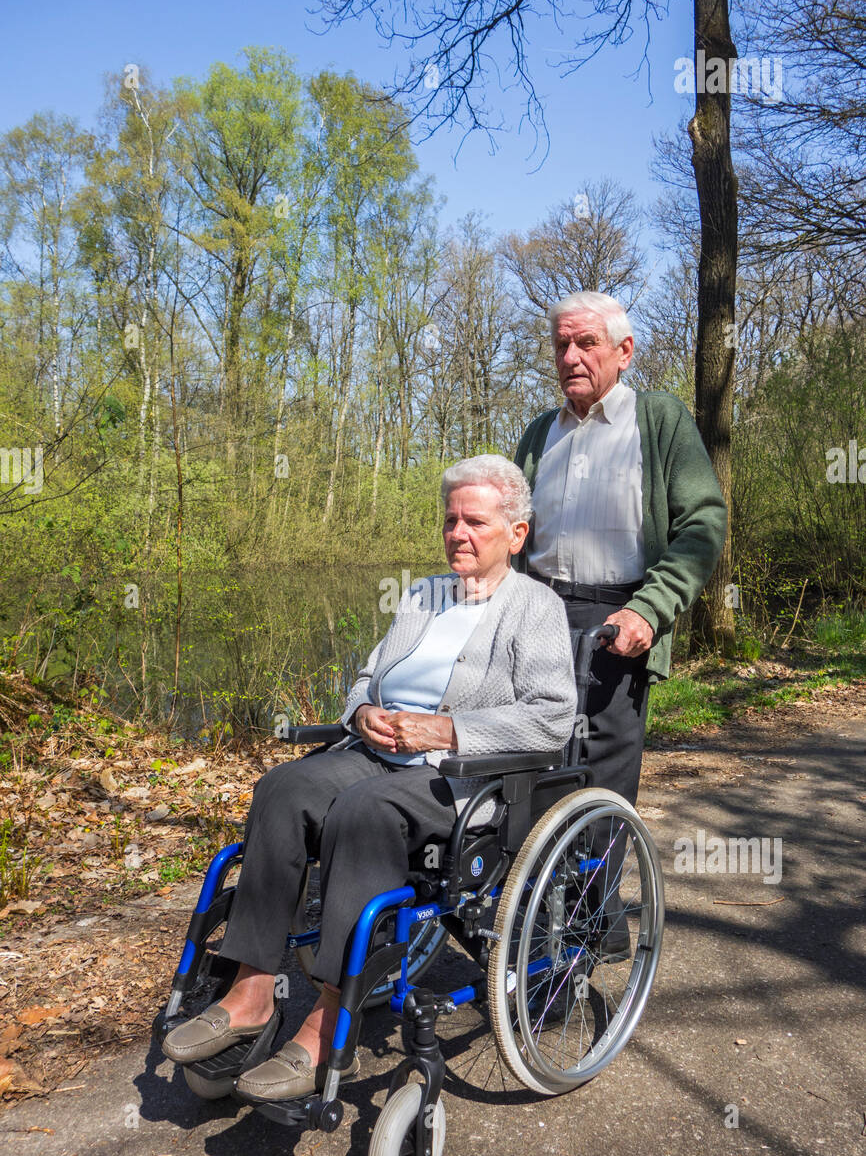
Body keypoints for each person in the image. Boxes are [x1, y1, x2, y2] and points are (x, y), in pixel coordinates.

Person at [163, 454, 577, 1101]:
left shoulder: (536, 608)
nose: (458, 534)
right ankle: (249, 993)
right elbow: (366, 676)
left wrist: (446, 731)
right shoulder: (421, 595)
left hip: (459, 781)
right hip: (377, 752)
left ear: (516, 534)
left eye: (475, 521)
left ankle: (331, 1023)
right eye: (450, 520)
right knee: (282, 789)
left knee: (363, 810)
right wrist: (361, 710)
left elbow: (552, 720)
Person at [514, 290, 727, 955]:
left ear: (623, 351)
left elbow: (703, 523)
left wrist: (650, 609)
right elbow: (511, 533)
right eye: (561, 346)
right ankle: (528, 924)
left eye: (587, 344)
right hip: (538, 613)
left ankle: (593, 928)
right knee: (527, 767)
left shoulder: (658, 420)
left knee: (600, 780)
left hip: (621, 616)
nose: (571, 358)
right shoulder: (538, 432)